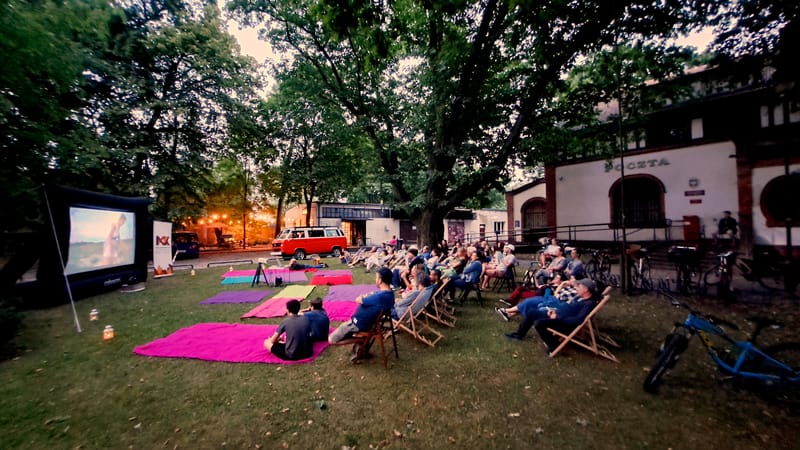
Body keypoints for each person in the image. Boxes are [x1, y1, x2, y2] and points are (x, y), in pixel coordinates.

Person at [496, 278, 598, 341]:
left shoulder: (589, 304)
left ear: (586, 289)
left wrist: (557, 316)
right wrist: (554, 312)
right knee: (532, 313)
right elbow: (569, 310)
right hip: (557, 315)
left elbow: (577, 320)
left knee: (539, 323)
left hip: (562, 323)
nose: (577, 288)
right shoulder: (581, 299)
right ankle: (519, 335)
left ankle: (553, 345)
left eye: (579, 287)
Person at [328, 268, 396, 347]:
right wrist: (367, 296)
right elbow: (371, 294)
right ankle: (358, 339)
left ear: (380, 280)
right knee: (342, 329)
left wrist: (364, 296)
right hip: (365, 322)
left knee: (331, 339)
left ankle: (361, 340)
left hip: (358, 324)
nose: (376, 280)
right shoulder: (389, 293)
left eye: (377, 277)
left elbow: (358, 299)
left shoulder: (378, 297)